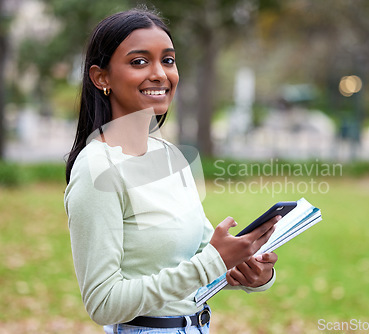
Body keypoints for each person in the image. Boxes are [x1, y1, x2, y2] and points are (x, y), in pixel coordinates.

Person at [64, 8, 279, 334]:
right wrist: (211, 262)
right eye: (139, 62)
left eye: (167, 60)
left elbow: (200, 254)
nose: (160, 74)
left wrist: (251, 270)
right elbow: (103, 303)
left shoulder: (170, 156)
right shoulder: (96, 169)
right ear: (101, 77)